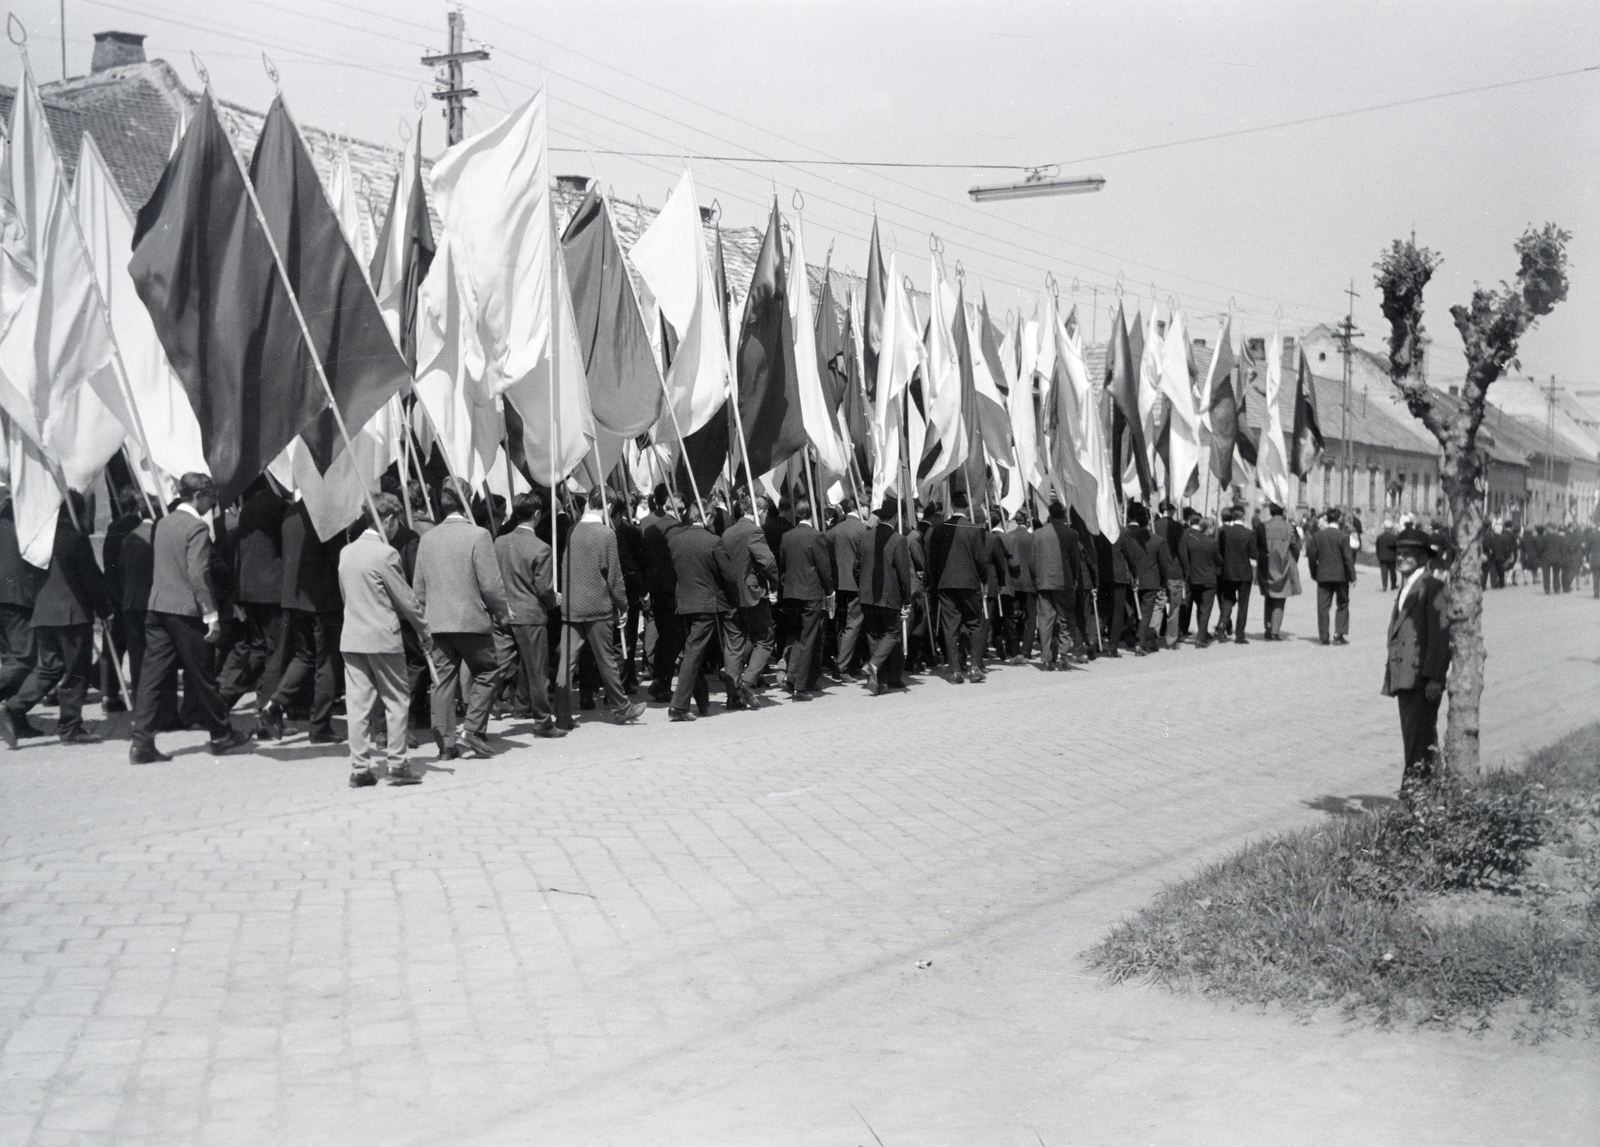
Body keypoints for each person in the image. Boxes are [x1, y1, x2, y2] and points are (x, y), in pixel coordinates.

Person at [130, 473, 254, 764]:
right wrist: (211, 615)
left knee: (152, 677)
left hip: (158, 606)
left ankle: (142, 743)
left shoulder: (162, 523)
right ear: (198, 495)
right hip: (185, 612)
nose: (212, 504)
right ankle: (221, 735)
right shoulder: (196, 527)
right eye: (210, 497)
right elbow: (199, 574)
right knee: (202, 675)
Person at [338, 493, 433, 788]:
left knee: (358, 705)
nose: (397, 529)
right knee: (396, 699)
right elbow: (406, 599)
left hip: (352, 637)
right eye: (396, 522)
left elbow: (346, 596)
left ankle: (360, 768)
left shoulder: (347, 552)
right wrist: (425, 630)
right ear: (389, 520)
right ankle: (398, 764)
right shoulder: (386, 554)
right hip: (382, 637)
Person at [413, 480, 511, 760]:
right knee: (489, 670)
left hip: (436, 622)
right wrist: (502, 613)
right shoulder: (478, 535)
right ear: (467, 500)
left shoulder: (427, 538)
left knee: (441, 681)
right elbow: (491, 585)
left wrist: (422, 626)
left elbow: (418, 588)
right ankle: (472, 729)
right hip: (470, 621)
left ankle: (445, 741)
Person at [7, 494, 109, 744]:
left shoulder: (38, 538)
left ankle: (13, 706)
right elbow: (90, 579)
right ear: (78, 511)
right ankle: (70, 728)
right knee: (76, 671)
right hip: (71, 614)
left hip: (44, 612)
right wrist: (105, 609)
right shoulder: (75, 538)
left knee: (49, 668)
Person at [556, 487, 647, 726]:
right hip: (598, 607)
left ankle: (562, 714)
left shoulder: (571, 531)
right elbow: (614, 577)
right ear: (607, 506)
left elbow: (565, 566)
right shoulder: (607, 534)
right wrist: (624, 606)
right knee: (606, 660)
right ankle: (621, 707)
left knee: (567, 661)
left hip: (572, 606)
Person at [257, 499, 343, 744]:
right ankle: (320, 726)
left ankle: (274, 704)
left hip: (295, 598)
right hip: (323, 600)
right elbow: (339, 558)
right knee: (327, 663)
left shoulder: (291, 511)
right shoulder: (325, 511)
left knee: (304, 656)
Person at [490, 494, 564, 738]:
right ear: (536, 515)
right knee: (537, 672)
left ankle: (478, 710)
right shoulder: (542, 548)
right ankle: (543, 721)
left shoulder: (499, 542)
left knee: (500, 666)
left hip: (503, 614)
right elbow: (543, 588)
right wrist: (555, 600)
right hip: (530, 616)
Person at [1382, 526, 1451, 789]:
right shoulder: (1407, 587)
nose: (1401, 557)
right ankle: (1426, 792)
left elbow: (1440, 635)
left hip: (1422, 680)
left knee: (1418, 742)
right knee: (1415, 740)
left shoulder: (1433, 587)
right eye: (1399, 552)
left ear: (1424, 558)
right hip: (1405, 677)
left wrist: (1435, 678)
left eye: (1408, 553)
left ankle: (1413, 796)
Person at [665, 501, 742, 721]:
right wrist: (734, 600)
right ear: (706, 515)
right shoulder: (714, 541)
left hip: (683, 603)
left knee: (693, 652)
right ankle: (679, 706)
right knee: (693, 652)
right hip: (705, 605)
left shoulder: (675, 541)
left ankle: (702, 701)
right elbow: (729, 576)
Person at [220, 476, 286, 715]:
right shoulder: (277, 505)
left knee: (258, 648)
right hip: (271, 590)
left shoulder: (248, 509)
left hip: (249, 589)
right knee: (276, 650)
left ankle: (224, 698)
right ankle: (268, 709)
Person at [721, 487, 779, 706]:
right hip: (752, 595)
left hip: (731, 596)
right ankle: (747, 683)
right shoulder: (754, 531)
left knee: (734, 645)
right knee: (765, 638)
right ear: (759, 510)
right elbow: (768, 562)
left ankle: (732, 695)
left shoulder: (727, 532)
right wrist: (773, 584)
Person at [925, 489, 989, 682]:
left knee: (950, 626)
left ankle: (954, 670)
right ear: (967, 506)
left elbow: (932, 559)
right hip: (970, 582)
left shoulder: (940, 528)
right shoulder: (974, 529)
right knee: (975, 625)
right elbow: (980, 559)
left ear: (951, 506)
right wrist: (983, 580)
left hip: (946, 583)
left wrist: (935, 581)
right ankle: (975, 667)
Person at [854, 496, 915, 695]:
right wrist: (907, 598)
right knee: (892, 632)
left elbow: (856, 568)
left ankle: (879, 682)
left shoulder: (865, 536)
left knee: (874, 636)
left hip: (866, 596)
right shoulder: (898, 540)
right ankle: (874, 665)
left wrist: (863, 587)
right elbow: (904, 574)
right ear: (896, 518)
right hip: (888, 597)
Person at [777, 496, 835, 700]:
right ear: (813, 514)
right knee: (809, 638)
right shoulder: (816, 537)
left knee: (797, 636)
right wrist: (830, 591)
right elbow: (823, 568)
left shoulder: (787, 536)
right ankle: (800, 687)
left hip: (792, 592)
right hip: (810, 593)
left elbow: (783, 564)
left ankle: (792, 676)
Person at [1027, 501, 1081, 670]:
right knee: (1066, 619)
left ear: (1049, 514)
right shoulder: (1072, 534)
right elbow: (1074, 560)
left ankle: (1045, 657)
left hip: (1043, 582)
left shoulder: (1038, 534)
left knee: (1045, 620)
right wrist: (1074, 578)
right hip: (1063, 582)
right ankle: (1063, 655)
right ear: (1063, 515)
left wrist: (1037, 578)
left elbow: (1031, 561)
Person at [826, 498, 868, 678]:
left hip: (838, 584)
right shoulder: (863, 530)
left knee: (842, 624)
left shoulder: (833, 531)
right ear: (860, 507)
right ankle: (842, 667)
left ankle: (845, 661)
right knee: (853, 625)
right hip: (856, 584)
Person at [1308, 508, 1357, 645]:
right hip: (1341, 577)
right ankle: (1338, 634)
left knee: (1323, 606)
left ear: (1327, 519)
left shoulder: (1317, 536)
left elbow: (1312, 557)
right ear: (1339, 519)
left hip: (1323, 575)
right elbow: (1348, 558)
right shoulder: (1343, 536)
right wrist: (1353, 576)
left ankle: (1324, 636)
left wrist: (1314, 573)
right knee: (1342, 603)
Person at [1254, 502, 1302, 640]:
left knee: (1269, 597)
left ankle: (1268, 628)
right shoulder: (1289, 527)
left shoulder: (1262, 526)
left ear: (1270, 511)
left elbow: (1257, 546)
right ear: (1283, 512)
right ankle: (1275, 631)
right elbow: (1296, 546)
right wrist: (1293, 560)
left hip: (1267, 566)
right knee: (1280, 599)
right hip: (1283, 565)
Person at [1215, 505, 1259, 644]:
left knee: (1227, 600)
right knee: (1243, 604)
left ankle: (1222, 625)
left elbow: (1219, 551)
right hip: (1244, 573)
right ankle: (1240, 635)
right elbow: (1253, 554)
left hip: (1228, 572)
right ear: (1243, 517)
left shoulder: (1225, 532)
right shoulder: (1249, 533)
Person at [1178, 516, 1222, 647]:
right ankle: (1201, 637)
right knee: (1205, 609)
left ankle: (1201, 633)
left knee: (1198, 607)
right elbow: (1219, 560)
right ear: (1208, 528)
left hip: (1194, 579)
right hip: (1208, 580)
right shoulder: (1212, 543)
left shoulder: (1192, 542)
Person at [1003, 509, 1037, 663]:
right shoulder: (1032, 537)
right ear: (1028, 521)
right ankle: (1027, 650)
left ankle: (1013, 648)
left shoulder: (1009, 536)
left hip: (1014, 581)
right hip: (1030, 582)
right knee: (1030, 617)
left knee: (1014, 616)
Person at [1374, 518, 1398, 591]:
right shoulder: (1394, 537)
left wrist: (1378, 555)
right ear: (1390, 528)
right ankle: (1393, 585)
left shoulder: (1379, 537)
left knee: (1384, 572)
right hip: (1391, 557)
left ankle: (1384, 586)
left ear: (1384, 528)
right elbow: (1396, 547)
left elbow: (1377, 547)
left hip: (1382, 557)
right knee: (1392, 571)